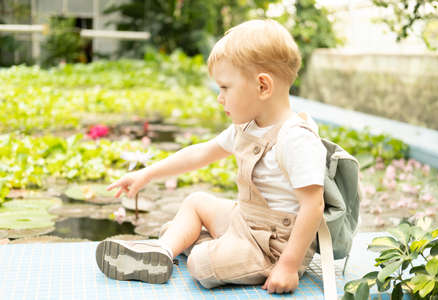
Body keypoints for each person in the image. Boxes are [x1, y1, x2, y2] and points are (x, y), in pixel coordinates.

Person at [96, 19, 326, 294]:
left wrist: (288, 266)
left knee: (201, 265)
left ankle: (188, 243)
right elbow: (200, 153)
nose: (220, 98)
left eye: (225, 88)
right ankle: (163, 250)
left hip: (275, 247)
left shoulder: (296, 138)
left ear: (263, 87)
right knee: (196, 202)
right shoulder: (247, 128)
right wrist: (146, 173)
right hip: (246, 221)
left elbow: (313, 205)